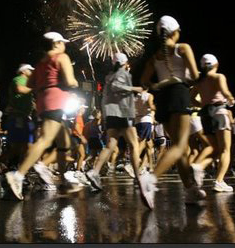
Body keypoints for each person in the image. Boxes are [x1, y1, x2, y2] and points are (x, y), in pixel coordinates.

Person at [140, 15, 206, 208]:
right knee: (180, 146)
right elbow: (194, 76)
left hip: (163, 99)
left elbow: (144, 81)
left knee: (179, 148)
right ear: (175, 32)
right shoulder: (182, 48)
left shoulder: (155, 57)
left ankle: (190, 190)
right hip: (178, 94)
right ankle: (151, 180)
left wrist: (157, 84)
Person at [6, 31, 79, 200]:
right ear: (55, 44)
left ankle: (62, 180)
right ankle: (18, 176)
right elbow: (70, 81)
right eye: (62, 42)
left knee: (64, 142)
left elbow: (31, 84)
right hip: (56, 100)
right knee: (45, 139)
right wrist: (74, 83)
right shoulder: (62, 57)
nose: (64, 45)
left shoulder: (39, 64)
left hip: (43, 101)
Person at [85, 52, 156, 208]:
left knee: (111, 145)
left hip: (111, 115)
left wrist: (104, 117)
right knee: (134, 145)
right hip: (122, 114)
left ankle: (95, 171)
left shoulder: (109, 77)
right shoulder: (121, 74)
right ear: (125, 64)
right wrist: (135, 88)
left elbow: (106, 97)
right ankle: (139, 178)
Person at [190, 53, 235, 192]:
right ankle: (219, 181)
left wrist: (202, 103)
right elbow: (225, 91)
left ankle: (199, 166)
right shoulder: (218, 76)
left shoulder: (199, 82)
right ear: (215, 64)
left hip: (205, 114)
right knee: (225, 149)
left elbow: (191, 99)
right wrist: (231, 99)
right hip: (219, 112)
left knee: (213, 148)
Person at [3, 64, 35, 168]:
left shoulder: (27, 82)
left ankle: (18, 171)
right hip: (18, 117)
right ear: (23, 71)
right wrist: (33, 87)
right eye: (29, 70)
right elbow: (20, 89)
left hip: (24, 117)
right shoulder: (20, 79)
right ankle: (13, 168)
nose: (31, 72)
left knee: (26, 147)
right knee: (17, 148)